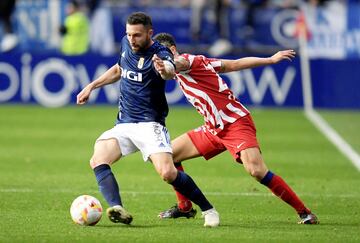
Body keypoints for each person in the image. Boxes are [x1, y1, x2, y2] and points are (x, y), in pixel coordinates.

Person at [153, 33, 319, 225]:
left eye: (160, 55)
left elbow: (177, 64)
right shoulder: (200, 61)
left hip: (235, 123)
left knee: (256, 170)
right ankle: (185, 208)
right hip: (213, 129)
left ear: (172, 50)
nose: (157, 60)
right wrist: (270, 59)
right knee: (168, 155)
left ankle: (305, 213)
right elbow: (234, 64)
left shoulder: (186, 60)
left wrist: (167, 65)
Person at [76, 12, 219, 227]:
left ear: (149, 33)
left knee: (168, 173)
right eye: (129, 34)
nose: (132, 39)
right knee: (98, 159)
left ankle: (208, 209)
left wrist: (164, 69)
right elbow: (119, 68)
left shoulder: (160, 52)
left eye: (137, 35)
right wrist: (91, 86)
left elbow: (169, 71)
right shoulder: (126, 44)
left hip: (150, 124)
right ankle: (117, 207)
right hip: (124, 124)